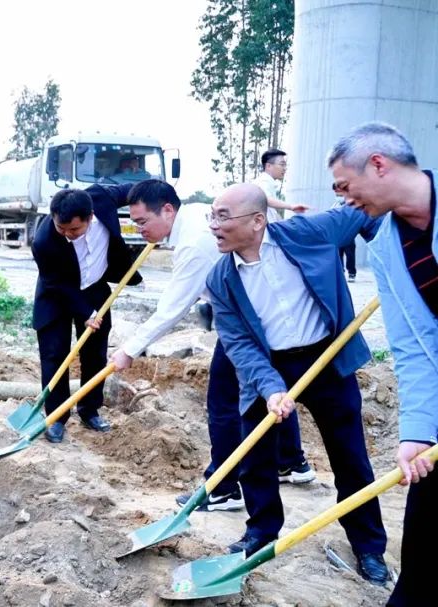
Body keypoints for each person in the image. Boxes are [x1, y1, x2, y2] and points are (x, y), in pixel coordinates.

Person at [205, 183, 388, 585]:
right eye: (212, 216)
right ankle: (261, 531)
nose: (214, 226)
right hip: (268, 365)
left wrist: (390, 246)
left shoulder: (310, 232)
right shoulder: (220, 279)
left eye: (222, 216)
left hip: (325, 356)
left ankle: (369, 546)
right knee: (254, 450)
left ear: (257, 221)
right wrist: (270, 388)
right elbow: (238, 342)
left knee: (350, 455)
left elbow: (363, 209)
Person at [111, 180, 313, 513]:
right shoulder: (193, 214)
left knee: (223, 401)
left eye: (143, 222)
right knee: (273, 390)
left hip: (247, 324)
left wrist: (129, 349)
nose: (139, 229)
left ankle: (223, 489)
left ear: (167, 210)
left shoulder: (193, 244)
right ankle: (292, 463)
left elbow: (173, 308)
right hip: (265, 317)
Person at [327, 122, 437, 605]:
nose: (346, 200)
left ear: (378, 163)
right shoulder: (387, 247)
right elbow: (413, 345)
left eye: (345, 186)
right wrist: (417, 430)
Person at [32, 185, 141, 439]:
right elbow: (55, 282)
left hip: (95, 287)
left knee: (95, 353)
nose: (67, 235)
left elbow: (133, 191)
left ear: (90, 217)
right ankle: (56, 417)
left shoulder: (101, 199)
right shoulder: (44, 241)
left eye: (74, 230)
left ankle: (90, 410)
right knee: (54, 355)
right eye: (62, 228)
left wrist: (158, 196)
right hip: (57, 295)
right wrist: (85, 312)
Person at [251, 149, 310, 221]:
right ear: (268, 166)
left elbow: (272, 213)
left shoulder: (268, 183)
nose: (284, 168)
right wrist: (291, 207)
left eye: (285, 165)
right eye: (282, 164)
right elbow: (265, 199)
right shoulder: (263, 181)